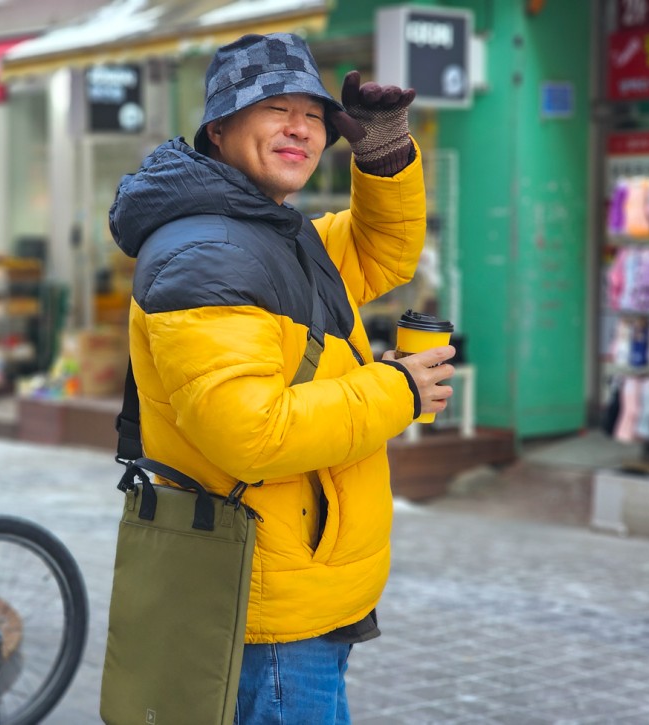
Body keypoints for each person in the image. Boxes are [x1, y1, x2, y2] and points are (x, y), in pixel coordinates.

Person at [109, 32, 455, 724]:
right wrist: (400, 388)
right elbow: (253, 434)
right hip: (268, 610)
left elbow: (377, 254)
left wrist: (383, 150)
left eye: (312, 112)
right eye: (273, 108)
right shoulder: (209, 252)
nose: (300, 126)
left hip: (296, 592)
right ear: (219, 126)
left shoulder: (267, 229)